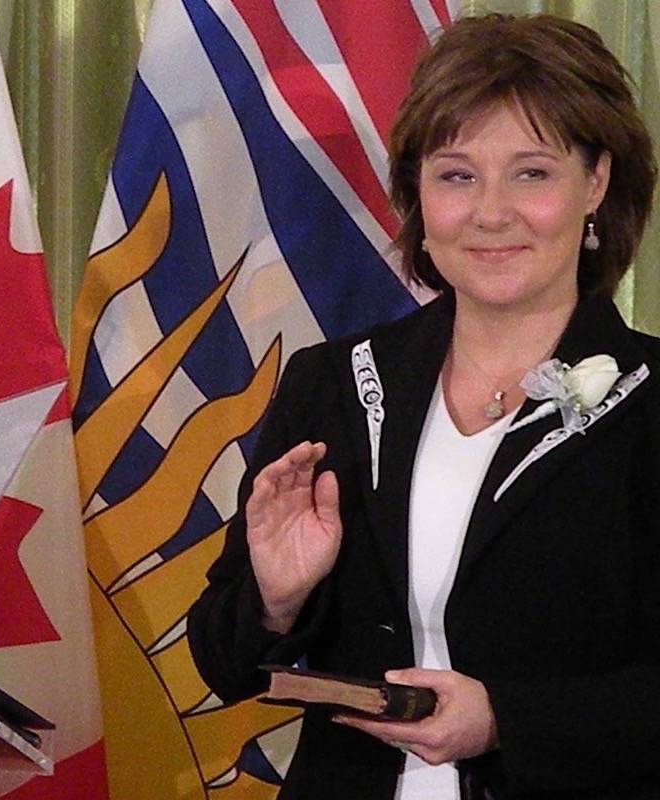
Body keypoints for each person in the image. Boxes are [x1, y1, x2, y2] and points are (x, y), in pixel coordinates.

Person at [187, 14, 660, 799]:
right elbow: (221, 660)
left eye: (532, 173)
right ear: (418, 196)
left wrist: (506, 717)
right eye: (457, 175)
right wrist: (275, 597)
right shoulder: (331, 382)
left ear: (597, 184)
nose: (491, 212)